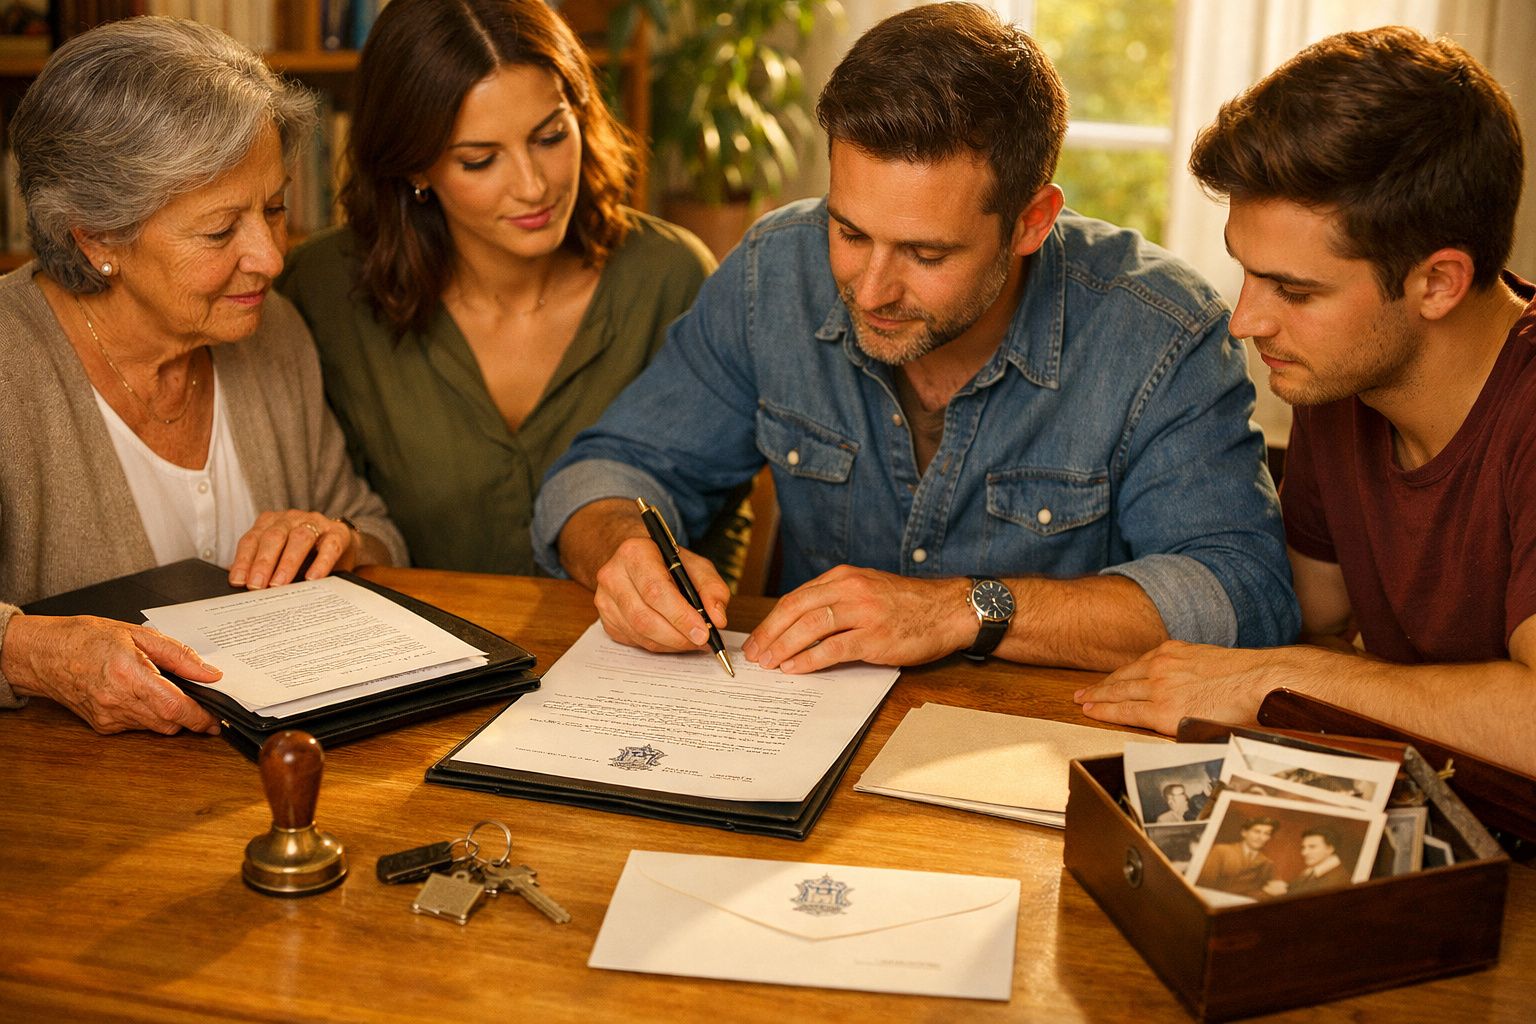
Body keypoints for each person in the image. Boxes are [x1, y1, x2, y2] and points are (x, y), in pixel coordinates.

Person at [531, 2, 1297, 674]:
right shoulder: (774, 270)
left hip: (1035, 770)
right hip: (795, 736)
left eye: (927, 254)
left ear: (1032, 220)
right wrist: (618, 548)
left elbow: (1243, 592)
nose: (870, 289)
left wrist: (962, 610)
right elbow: (605, 472)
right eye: (849, 231)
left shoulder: (1160, 332)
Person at [1074, 27, 1536, 776]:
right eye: (1249, 274)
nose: (1246, 321)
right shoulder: (1344, 381)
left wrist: (1274, 680)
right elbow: (1306, 621)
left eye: (1294, 290)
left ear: (1439, 283)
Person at [0, 18, 407, 736]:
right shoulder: (11, 362)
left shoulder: (269, 331)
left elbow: (372, 529)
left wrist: (337, 538)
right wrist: (27, 650)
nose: (271, 259)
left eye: (275, 209)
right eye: (221, 231)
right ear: (95, 237)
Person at [277, 0, 741, 578]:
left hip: (641, 658)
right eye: (480, 160)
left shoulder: (670, 276)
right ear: (414, 168)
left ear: (580, 113)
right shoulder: (320, 289)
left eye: (549, 137)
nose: (533, 186)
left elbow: (720, 515)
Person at [1195, 817, 1282, 898]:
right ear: (1244, 833)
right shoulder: (1221, 851)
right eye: (1256, 831)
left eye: (1266, 834)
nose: (1260, 837)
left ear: (1269, 838)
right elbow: (1203, 883)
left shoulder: (1267, 863)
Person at [1284, 827, 1350, 896]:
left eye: (1312, 847)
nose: (1304, 852)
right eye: (1303, 847)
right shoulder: (1310, 871)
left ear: (1330, 849)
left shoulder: (1337, 879)